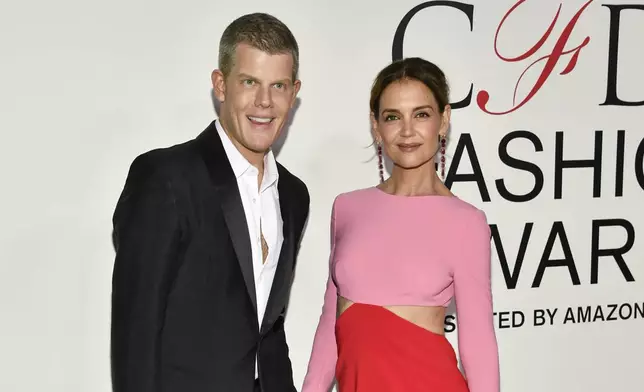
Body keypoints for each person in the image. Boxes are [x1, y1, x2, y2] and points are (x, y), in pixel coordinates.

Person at [110, 13, 309, 392]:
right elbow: (136, 330)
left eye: (278, 86)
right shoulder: (165, 177)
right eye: (250, 82)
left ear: (293, 92)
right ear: (221, 85)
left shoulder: (294, 195)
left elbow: (267, 325)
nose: (264, 102)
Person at [301, 57, 499, 392]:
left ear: (443, 120)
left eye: (421, 114)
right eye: (393, 117)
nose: (407, 131)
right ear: (376, 126)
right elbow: (329, 327)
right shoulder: (348, 207)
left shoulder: (466, 223)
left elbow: (478, 344)